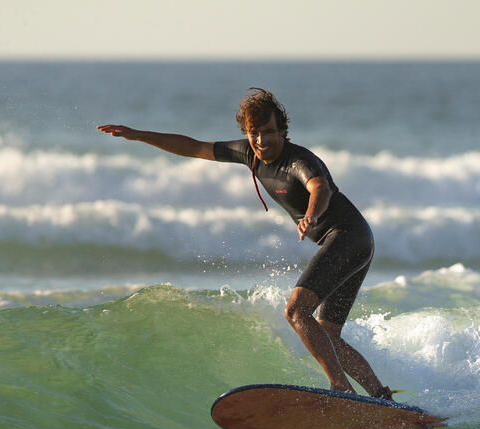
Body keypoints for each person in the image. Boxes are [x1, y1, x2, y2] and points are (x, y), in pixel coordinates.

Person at [97, 88, 392, 400]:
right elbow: (194, 146)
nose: (261, 141)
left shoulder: (299, 161)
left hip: (348, 237)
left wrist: (310, 214)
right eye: (254, 134)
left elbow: (319, 187)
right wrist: (140, 135)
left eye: (268, 133)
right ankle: (380, 398)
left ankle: (340, 388)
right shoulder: (248, 154)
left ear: (282, 131)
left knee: (296, 312)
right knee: (329, 333)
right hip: (357, 240)